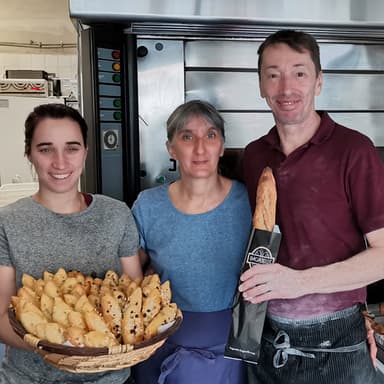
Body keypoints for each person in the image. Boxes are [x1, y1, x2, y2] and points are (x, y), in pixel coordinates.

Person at [240, 29, 384, 383]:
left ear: (319, 82)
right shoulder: (253, 155)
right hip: (266, 340)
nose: (286, 88)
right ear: (260, 85)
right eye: (273, 75)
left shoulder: (354, 150)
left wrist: (300, 283)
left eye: (299, 73)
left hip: (339, 346)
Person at [0, 103, 142, 384]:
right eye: (46, 148)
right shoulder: (8, 222)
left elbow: (132, 300)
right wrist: (62, 347)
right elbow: (1, 317)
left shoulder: (116, 214)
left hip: (109, 379)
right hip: (30, 378)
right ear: (29, 153)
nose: (60, 162)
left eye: (72, 148)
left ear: (86, 152)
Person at [131, 100, 252, 384]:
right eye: (187, 137)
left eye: (210, 135)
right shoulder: (148, 205)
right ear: (171, 148)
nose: (200, 148)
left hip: (229, 355)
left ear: (222, 146)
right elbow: (128, 279)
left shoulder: (250, 202)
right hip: (159, 351)